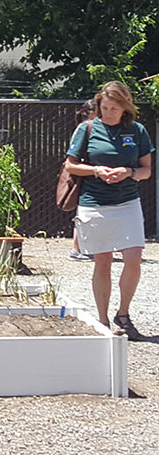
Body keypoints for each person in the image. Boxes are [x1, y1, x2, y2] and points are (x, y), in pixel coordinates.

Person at [64, 81, 153, 340]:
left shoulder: (137, 131)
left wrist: (129, 172)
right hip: (94, 203)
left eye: (115, 108)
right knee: (102, 262)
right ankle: (102, 320)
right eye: (105, 107)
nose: (109, 113)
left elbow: (147, 170)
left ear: (125, 108)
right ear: (99, 106)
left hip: (127, 202)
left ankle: (123, 313)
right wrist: (96, 170)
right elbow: (70, 166)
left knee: (133, 258)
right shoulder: (87, 128)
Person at [68, 99, 97, 262]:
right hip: (84, 174)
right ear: (92, 113)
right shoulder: (85, 127)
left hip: (89, 173)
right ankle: (77, 248)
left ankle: (81, 248)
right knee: (84, 211)